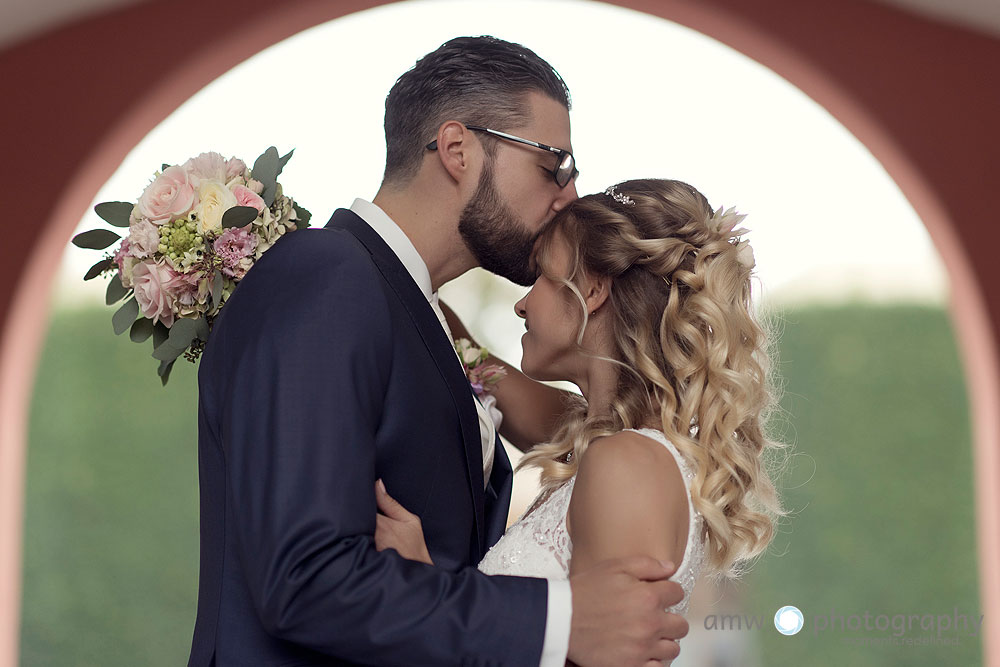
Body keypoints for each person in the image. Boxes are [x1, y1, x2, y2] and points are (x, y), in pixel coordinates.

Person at [188, 38, 688, 666]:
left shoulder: (420, 318)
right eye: (553, 165)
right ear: (458, 150)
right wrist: (561, 621)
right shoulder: (326, 275)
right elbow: (305, 577)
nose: (569, 196)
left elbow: (595, 426)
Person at [375, 179, 785, 654]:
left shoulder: (627, 464)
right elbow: (479, 366)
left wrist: (426, 592)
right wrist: (393, 274)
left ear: (592, 290)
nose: (523, 302)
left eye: (544, 276)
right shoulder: (608, 441)